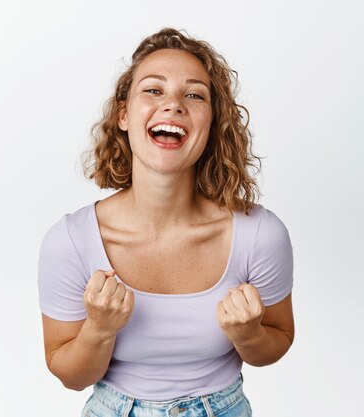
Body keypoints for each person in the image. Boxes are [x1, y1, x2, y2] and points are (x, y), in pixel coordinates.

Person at [37, 28, 295, 417]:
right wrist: (100, 329)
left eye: (194, 95)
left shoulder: (260, 234)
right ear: (124, 116)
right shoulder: (70, 241)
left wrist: (250, 335)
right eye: (153, 90)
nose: (173, 105)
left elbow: (276, 344)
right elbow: (71, 376)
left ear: (211, 125)